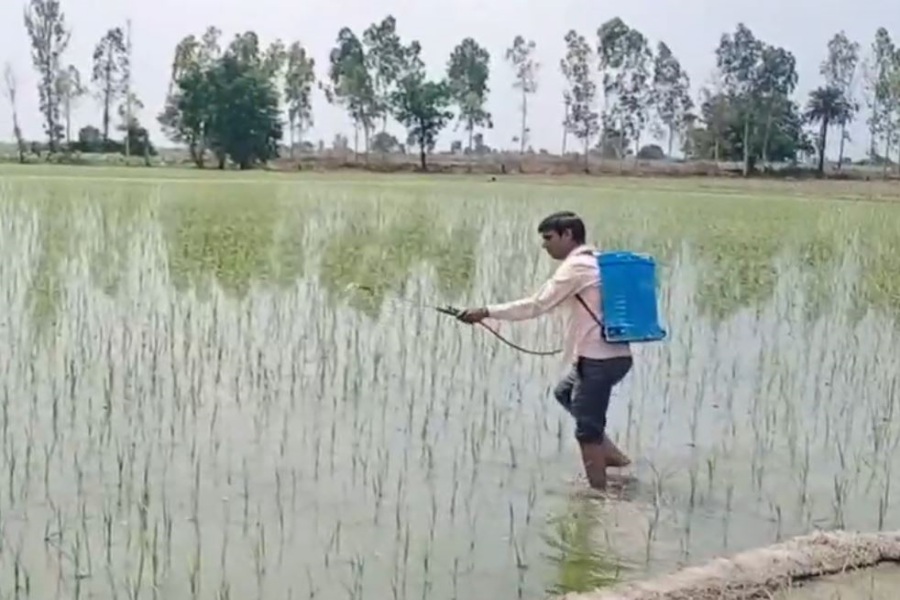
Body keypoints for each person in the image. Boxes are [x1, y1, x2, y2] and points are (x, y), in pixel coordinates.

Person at [457, 211, 633, 491]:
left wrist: (485, 311)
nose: (544, 245)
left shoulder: (575, 267)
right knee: (565, 393)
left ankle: (598, 496)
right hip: (614, 356)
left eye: (549, 238)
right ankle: (611, 456)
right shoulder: (596, 260)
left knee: (586, 430)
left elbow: (536, 305)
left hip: (598, 360)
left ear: (568, 235)